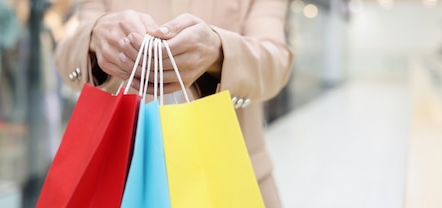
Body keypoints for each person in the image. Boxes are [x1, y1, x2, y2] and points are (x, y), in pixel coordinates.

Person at [54, 0, 294, 207]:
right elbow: (66, 56)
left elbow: (276, 60)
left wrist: (220, 52)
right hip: (121, 182)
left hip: (227, 179)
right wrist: (95, 37)